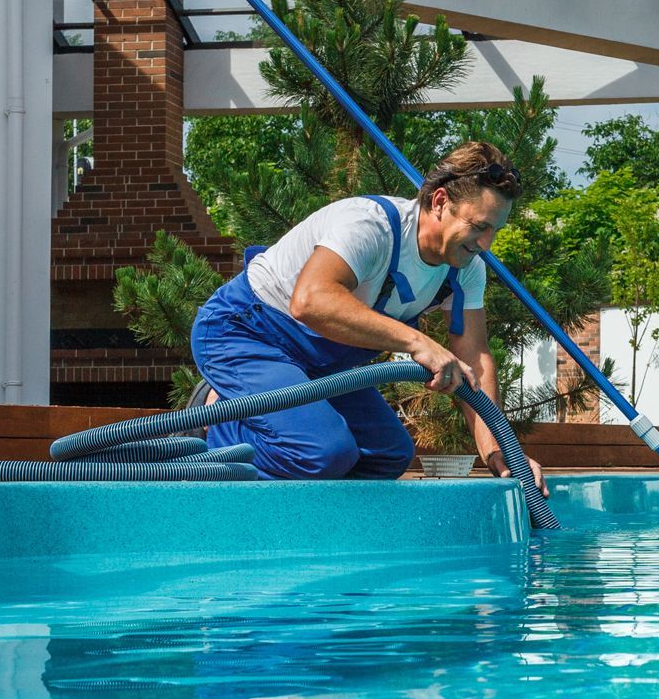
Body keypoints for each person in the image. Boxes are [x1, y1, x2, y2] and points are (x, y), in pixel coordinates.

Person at [190, 140, 546, 493]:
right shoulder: (372, 226)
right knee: (320, 454)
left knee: (387, 454)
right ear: (440, 202)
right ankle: (219, 419)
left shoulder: (465, 267)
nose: (486, 243)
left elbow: (475, 357)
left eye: (494, 231)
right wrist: (417, 340)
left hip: (320, 362)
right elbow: (311, 301)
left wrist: (500, 451)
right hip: (246, 332)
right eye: (479, 226)